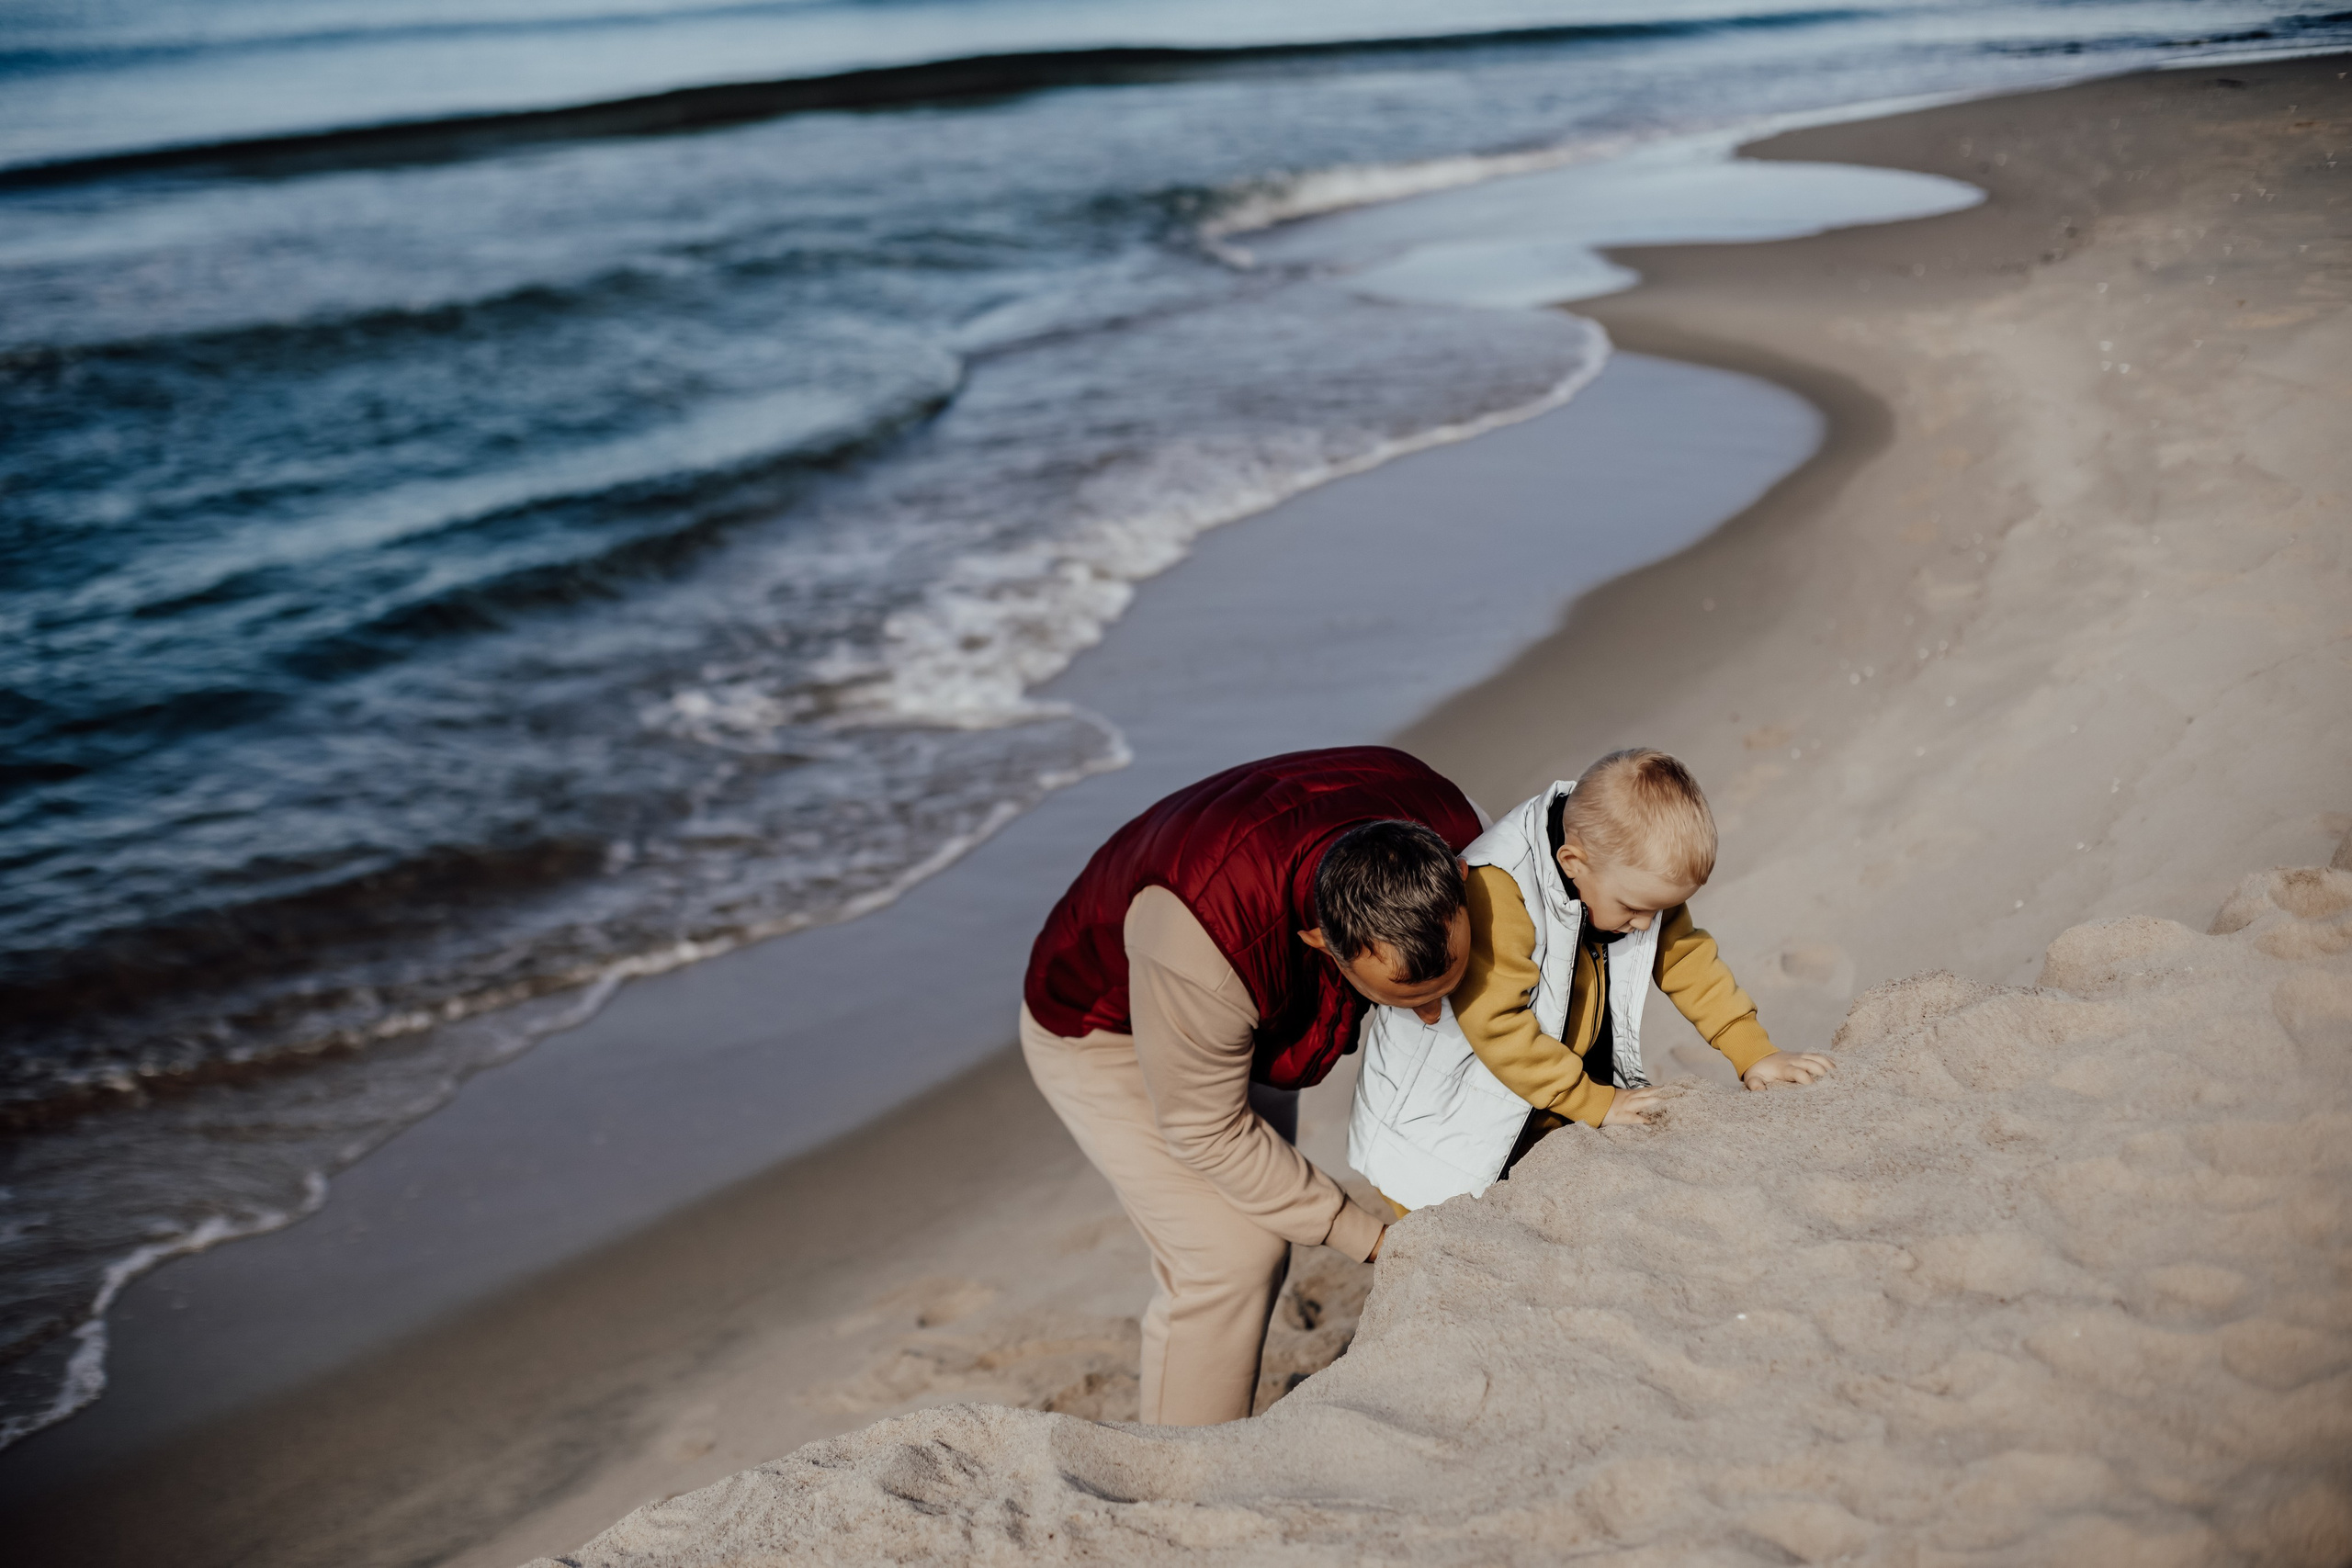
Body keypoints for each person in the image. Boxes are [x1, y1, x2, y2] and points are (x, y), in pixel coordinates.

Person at [1021, 745, 1482, 1425]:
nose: (1431, 1014)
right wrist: (1371, 1241)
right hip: (1104, 1025)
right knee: (1231, 1253)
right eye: (1409, 996)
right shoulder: (1203, 945)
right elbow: (1205, 1128)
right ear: (1321, 943)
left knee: (1268, 1215)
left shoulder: (1463, 829)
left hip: (1257, 1004)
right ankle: (1184, 1478)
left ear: (1460, 875)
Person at [1350, 748, 1831, 1213]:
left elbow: (1688, 961)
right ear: (1572, 862)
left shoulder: (1624, 872)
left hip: (1534, 1096)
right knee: (1454, 1230)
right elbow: (1497, 1027)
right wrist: (1594, 1102)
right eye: (1635, 909)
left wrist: (1754, 1053)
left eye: (1659, 910)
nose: (1646, 925)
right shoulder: (1498, 889)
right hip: (1436, 1130)